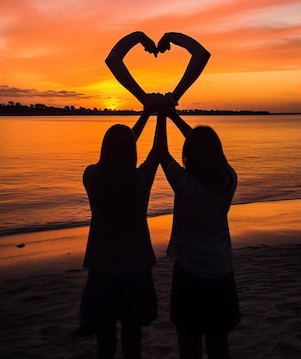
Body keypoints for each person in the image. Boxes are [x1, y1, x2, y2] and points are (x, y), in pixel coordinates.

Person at [79, 32, 165, 359]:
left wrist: (144, 116)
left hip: (102, 270)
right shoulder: (139, 181)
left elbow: (116, 158)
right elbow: (157, 153)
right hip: (135, 271)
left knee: (105, 341)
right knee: (132, 342)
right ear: (131, 153)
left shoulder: (92, 178)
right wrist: (156, 115)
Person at [155, 33, 240, 359]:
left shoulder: (186, 185)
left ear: (191, 154)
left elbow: (160, 153)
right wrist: (173, 116)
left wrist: (162, 114)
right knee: (218, 344)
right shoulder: (228, 180)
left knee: (189, 343)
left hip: (190, 271)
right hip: (221, 271)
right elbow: (199, 148)